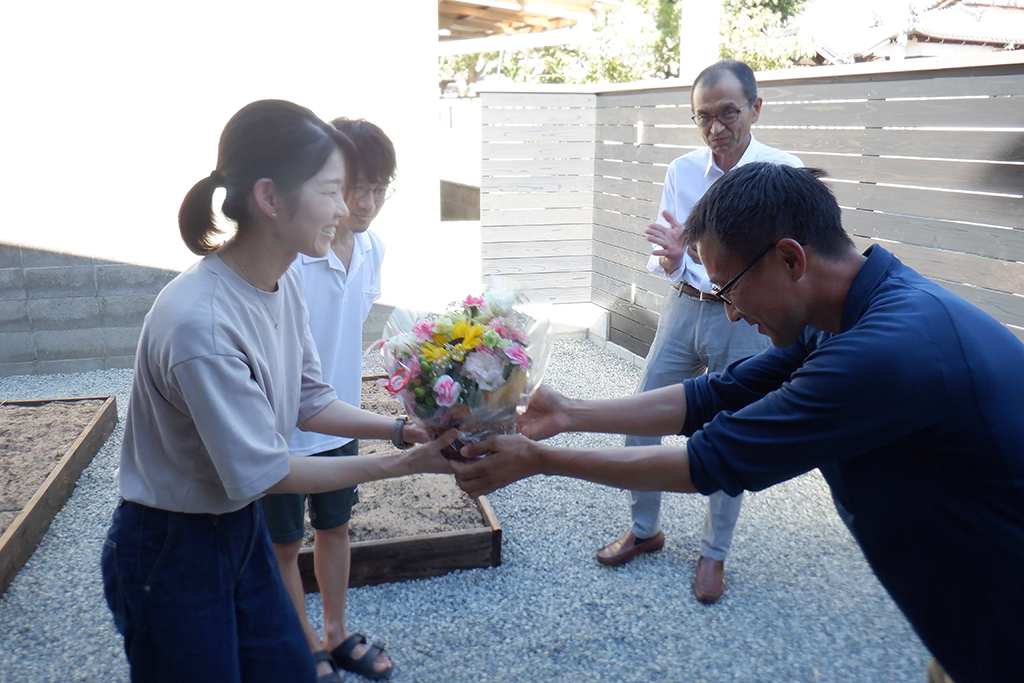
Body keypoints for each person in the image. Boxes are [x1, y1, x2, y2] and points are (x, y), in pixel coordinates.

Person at [452, 163, 1024, 683]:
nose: (728, 311)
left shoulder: (886, 351)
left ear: (791, 259)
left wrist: (541, 461)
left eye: (728, 289)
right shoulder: (848, 314)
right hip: (964, 624)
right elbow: (715, 397)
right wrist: (571, 413)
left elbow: (712, 459)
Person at [101, 100, 454, 683]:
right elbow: (266, 473)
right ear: (269, 198)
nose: (346, 209)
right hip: (171, 547)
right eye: (332, 191)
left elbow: (308, 401)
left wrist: (401, 427)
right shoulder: (203, 326)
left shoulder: (278, 281)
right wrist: (406, 463)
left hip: (236, 529)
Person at [598, 59, 801, 606]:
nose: (716, 128)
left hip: (746, 319)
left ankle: (714, 553)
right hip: (685, 308)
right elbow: (669, 251)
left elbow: (791, 263)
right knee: (643, 414)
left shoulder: (785, 174)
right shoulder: (683, 170)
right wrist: (669, 262)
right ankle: (645, 531)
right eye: (703, 117)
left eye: (728, 112)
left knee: (732, 432)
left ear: (756, 108)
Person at [262, 118, 397, 681]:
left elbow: (354, 330)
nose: (365, 203)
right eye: (354, 187)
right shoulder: (292, 257)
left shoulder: (372, 250)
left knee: (336, 528)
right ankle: (307, 641)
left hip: (340, 420)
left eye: (379, 188)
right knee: (285, 543)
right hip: (281, 429)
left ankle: (337, 632)